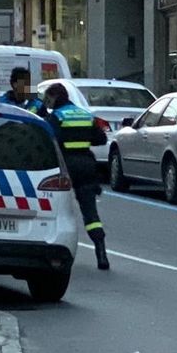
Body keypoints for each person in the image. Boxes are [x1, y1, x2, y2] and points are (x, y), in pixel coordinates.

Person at [41, 83, 110, 271]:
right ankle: (101, 252)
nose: (47, 103)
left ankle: (49, 249)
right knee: (91, 213)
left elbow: (48, 139)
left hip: (64, 166)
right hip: (87, 166)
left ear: (55, 97)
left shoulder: (55, 117)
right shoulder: (86, 115)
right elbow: (101, 139)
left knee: (56, 208)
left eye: (48, 99)